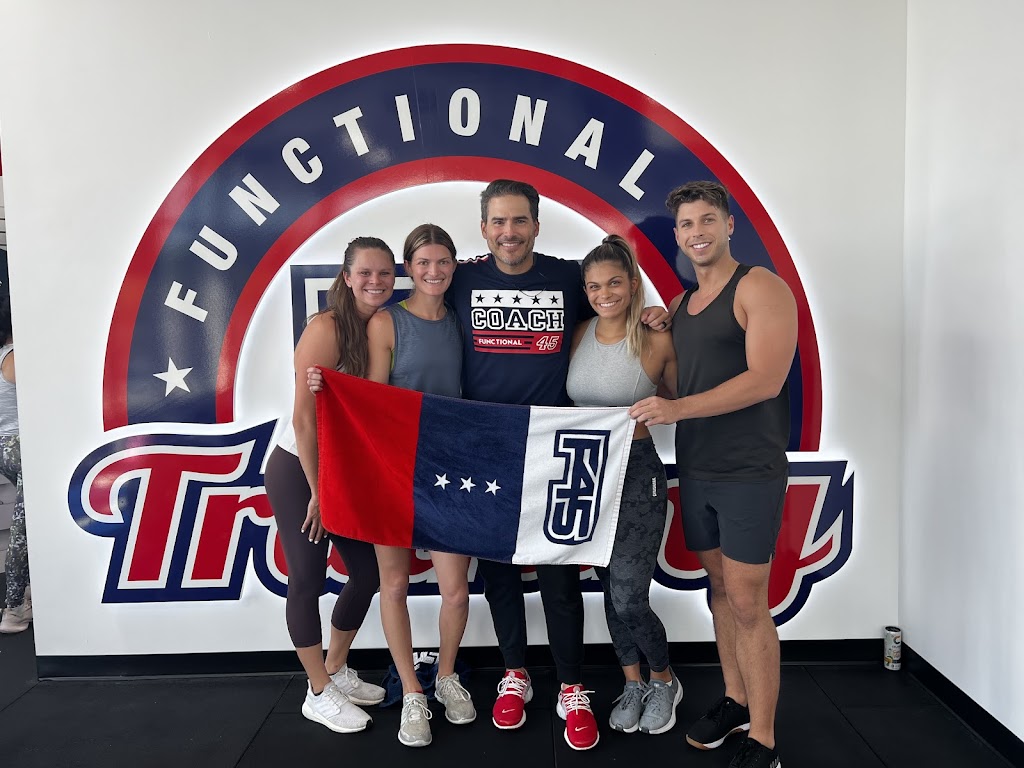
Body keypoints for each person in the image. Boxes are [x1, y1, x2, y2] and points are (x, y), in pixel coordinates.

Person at [444, 180, 672, 752]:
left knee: (559, 575)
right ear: (484, 228)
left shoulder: (570, 278)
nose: (509, 232)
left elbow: (615, 296)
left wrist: (656, 313)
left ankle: (573, 687)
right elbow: (410, 317)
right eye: (499, 221)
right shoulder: (462, 280)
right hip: (489, 450)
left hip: (557, 449)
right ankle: (514, 673)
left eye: (520, 220)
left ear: (537, 225)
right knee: (499, 575)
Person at [629, 180, 797, 768]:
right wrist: (655, 333)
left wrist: (676, 410)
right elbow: (680, 383)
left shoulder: (759, 286)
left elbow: (765, 380)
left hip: (749, 470)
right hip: (698, 468)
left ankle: (764, 739)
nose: (696, 232)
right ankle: (735, 700)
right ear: (677, 236)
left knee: (749, 601)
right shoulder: (680, 306)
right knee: (720, 590)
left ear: (728, 225)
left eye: (707, 220)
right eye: (686, 224)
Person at [264, 237, 393, 734]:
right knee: (307, 577)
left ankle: (335, 668)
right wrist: (319, 490)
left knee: (366, 573)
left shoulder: (382, 325)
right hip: (300, 468)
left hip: (343, 468)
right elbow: (302, 419)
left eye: (384, 273)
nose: (375, 281)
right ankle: (317, 692)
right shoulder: (327, 327)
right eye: (365, 273)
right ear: (347, 277)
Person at [365, 223, 475, 748]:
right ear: (408, 267)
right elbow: (372, 402)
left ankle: (446, 676)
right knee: (394, 585)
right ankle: (412, 690)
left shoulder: (461, 320)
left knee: (456, 589)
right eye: (423, 262)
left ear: (454, 266)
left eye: (443, 262)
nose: (434, 271)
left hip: (451, 469)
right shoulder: (386, 322)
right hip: (394, 468)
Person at [565, 235, 681, 735]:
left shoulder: (656, 338)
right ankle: (631, 681)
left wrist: (668, 320)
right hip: (586, 472)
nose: (604, 294)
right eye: (594, 286)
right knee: (611, 590)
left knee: (630, 595)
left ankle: (664, 679)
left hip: (637, 472)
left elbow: (683, 399)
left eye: (614, 283)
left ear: (633, 284)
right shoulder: (579, 332)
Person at [0, 293, 30, 634]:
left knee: (30, 525)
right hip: (19, 445)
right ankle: (14, 608)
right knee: (23, 530)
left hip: (4, 447)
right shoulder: (16, 356)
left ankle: (26, 596)